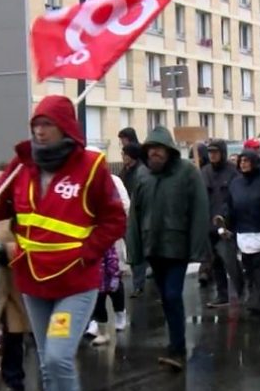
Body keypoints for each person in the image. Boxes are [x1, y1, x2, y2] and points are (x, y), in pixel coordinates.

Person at [0, 95, 126, 391]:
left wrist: (87, 254)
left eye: (47, 124)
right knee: (47, 359)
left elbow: (115, 219)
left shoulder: (91, 166)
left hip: (73, 282)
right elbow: (3, 207)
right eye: (36, 125)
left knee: (58, 356)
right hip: (33, 280)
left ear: (65, 128)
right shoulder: (21, 164)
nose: (40, 131)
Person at [126, 126, 210, 371]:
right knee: (165, 297)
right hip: (153, 245)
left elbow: (200, 210)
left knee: (173, 295)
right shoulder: (142, 176)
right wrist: (135, 250)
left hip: (177, 247)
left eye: (159, 149)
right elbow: (135, 215)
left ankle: (178, 350)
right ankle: (175, 345)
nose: (155, 153)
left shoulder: (187, 173)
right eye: (151, 149)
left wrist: (197, 247)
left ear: (169, 151)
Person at [218, 149, 260, 314]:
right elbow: (230, 205)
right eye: (241, 161)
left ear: (254, 163)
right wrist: (225, 221)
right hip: (244, 230)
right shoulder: (236, 183)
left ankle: (259, 297)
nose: (243, 164)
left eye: (247, 161)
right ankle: (253, 291)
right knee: (248, 264)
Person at [0, 217, 32, 391]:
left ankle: (57, 385)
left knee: (46, 335)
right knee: (11, 332)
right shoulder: (3, 196)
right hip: (8, 275)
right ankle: (13, 383)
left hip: (34, 273)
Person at [87, 169, 131, 346]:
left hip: (111, 241)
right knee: (94, 285)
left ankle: (120, 313)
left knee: (113, 282)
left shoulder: (113, 182)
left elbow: (124, 207)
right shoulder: (81, 183)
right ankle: (98, 323)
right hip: (90, 241)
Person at [202, 140, 243, 308]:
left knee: (230, 261)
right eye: (210, 152)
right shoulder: (204, 172)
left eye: (215, 152)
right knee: (215, 261)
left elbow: (237, 197)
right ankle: (222, 294)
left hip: (227, 224)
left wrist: (228, 219)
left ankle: (241, 290)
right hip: (208, 223)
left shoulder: (233, 173)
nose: (212, 155)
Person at [120, 143, 149, 298]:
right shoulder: (125, 171)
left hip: (139, 216)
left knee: (137, 249)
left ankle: (139, 284)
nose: (122, 157)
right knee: (135, 250)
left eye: (124, 154)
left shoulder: (140, 172)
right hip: (128, 217)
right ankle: (140, 281)